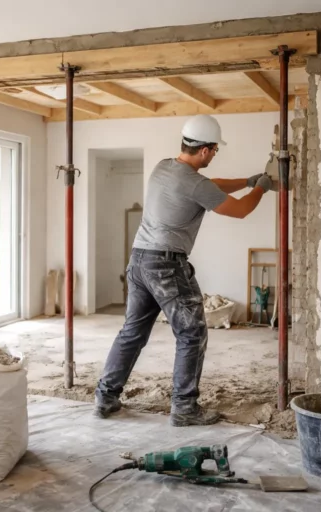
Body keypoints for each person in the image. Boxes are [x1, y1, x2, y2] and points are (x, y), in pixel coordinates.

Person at [94, 114, 274, 427]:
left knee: (132, 332)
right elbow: (242, 210)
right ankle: (185, 408)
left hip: (139, 261)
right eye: (214, 151)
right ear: (205, 151)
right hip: (166, 265)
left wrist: (248, 181)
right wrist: (262, 189)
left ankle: (106, 397)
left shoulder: (165, 166)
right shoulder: (193, 183)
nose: (214, 156)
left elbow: (210, 186)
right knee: (192, 333)